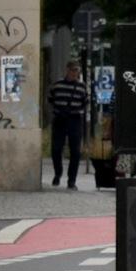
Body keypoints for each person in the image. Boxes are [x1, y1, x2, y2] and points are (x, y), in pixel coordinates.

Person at [47, 61, 91, 189]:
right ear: (67, 70)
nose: (74, 73)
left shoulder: (82, 87)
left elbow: (85, 102)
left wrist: (77, 112)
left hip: (75, 120)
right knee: (56, 149)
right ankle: (58, 173)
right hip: (60, 119)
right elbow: (50, 99)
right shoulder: (57, 85)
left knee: (75, 152)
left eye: (76, 70)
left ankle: (72, 180)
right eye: (72, 70)